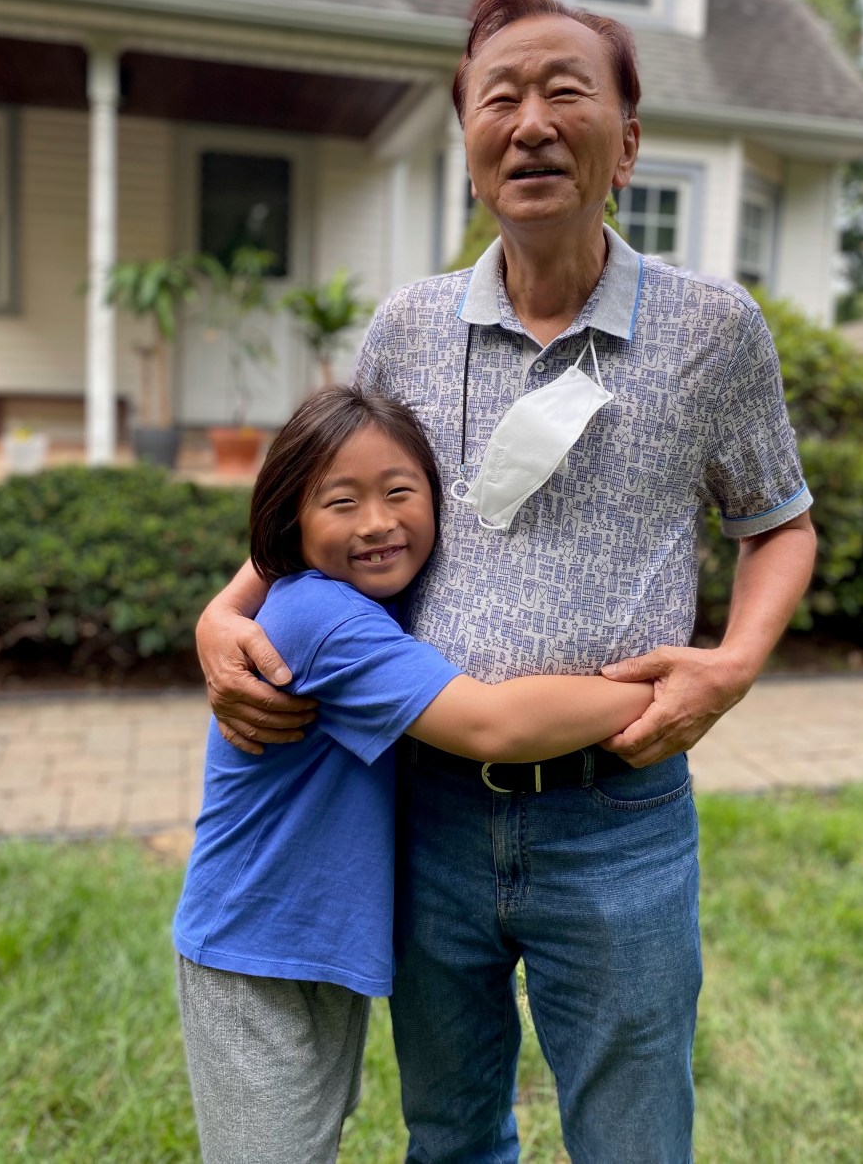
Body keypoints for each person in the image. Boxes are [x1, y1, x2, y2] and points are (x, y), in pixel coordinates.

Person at [196, 0, 818, 1162]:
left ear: (626, 144)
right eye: (500, 99)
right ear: (470, 148)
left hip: (618, 813)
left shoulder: (711, 330)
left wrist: (733, 665)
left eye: (565, 92)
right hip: (424, 805)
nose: (530, 122)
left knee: (633, 1137)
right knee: (450, 1135)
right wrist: (219, 616)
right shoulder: (407, 327)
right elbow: (326, 504)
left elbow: (777, 522)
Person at [175, 384, 654, 1164]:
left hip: (307, 941)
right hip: (252, 949)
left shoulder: (377, 599)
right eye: (341, 502)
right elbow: (492, 725)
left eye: (400, 491)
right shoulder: (318, 617)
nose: (376, 522)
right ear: (292, 522)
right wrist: (666, 688)